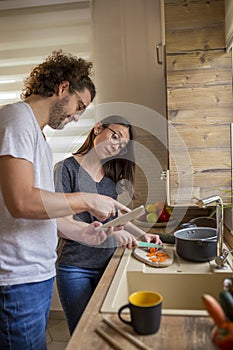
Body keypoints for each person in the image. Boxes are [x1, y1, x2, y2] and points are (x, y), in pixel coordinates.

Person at [0, 51, 131, 350]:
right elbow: (21, 201)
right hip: (17, 277)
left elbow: (46, 212)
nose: (77, 116)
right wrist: (86, 199)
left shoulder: (38, 136)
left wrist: (83, 232)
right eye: (79, 105)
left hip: (36, 274)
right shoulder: (17, 118)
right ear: (62, 88)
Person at [54, 115, 162, 334]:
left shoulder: (109, 177)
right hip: (75, 267)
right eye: (115, 136)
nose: (116, 146)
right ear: (97, 129)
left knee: (105, 329)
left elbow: (113, 218)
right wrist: (113, 235)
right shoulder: (65, 169)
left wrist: (143, 236)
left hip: (107, 263)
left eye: (122, 145)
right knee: (82, 333)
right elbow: (62, 223)